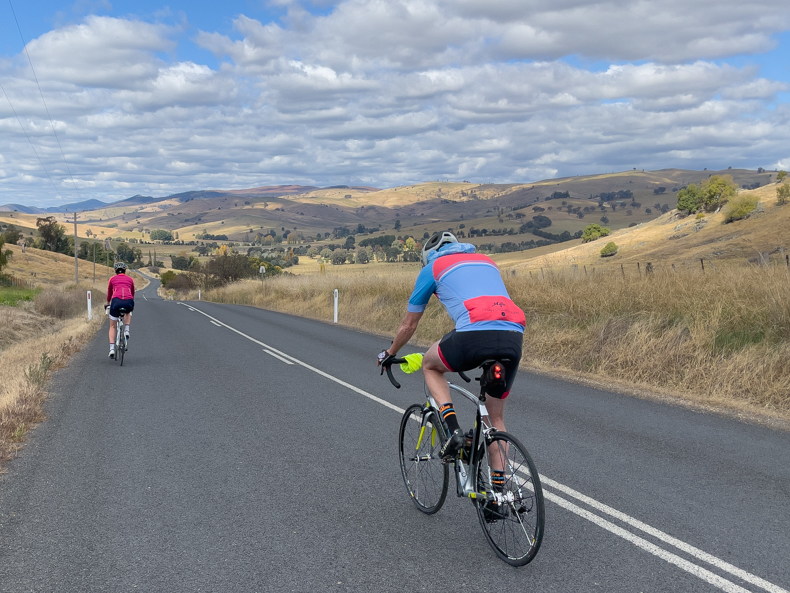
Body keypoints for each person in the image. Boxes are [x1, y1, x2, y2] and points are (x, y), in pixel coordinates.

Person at [378, 232, 526, 512]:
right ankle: (498, 495)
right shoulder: (485, 260)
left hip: (472, 334)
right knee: (494, 419)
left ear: (427, 255)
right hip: (512, 335)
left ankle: (455, 431)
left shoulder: (431, 268)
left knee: (431, 365)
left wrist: (390, 353)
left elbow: (409, 325)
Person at [106, 261, 135, 359]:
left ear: (115, 271)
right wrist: (130, 302)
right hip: (128, 301)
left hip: (116, 301)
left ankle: (112, 349)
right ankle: (127, 329)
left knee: (113, 326)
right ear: (125, 271)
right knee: (128, 311)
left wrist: (108, 303)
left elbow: (109, 293)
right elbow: (132, 292)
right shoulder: (130, 279)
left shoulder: (112, 279)